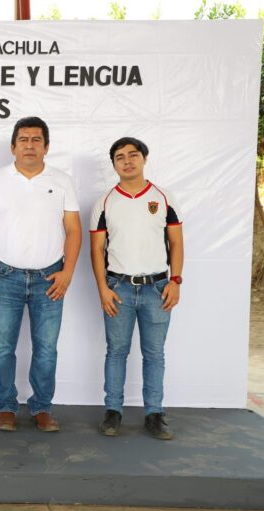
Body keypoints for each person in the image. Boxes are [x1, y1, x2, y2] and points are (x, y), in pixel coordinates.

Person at [0, 116, 82, 432]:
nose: (30, 145)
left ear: (47, 147)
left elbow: (73, 230)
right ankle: (6, 406)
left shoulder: (61, 181)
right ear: (13, 146)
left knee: (46, 348)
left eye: (37, 140)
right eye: (23, 139)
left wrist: (68, 274)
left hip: (49, 278)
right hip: (4, 275)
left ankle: (42, 408)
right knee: (3, 347)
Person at [90, 137, 184, 440]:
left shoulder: (163, 197)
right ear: (114, 164)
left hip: (157, 288)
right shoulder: (105, 202)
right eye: (120, 157)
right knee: (116, 352)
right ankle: (112, 412)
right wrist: (103, 288)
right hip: (119, 287)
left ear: (144, 158)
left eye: (133, 155)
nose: (127, 161)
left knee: (154, 353)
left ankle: (154, 413)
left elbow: (176, 242)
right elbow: (96, 250)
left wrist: (176, 280)